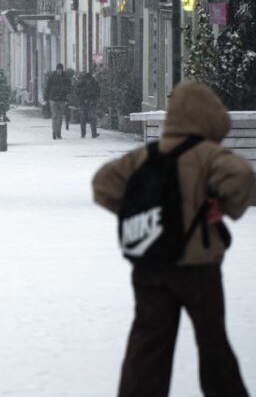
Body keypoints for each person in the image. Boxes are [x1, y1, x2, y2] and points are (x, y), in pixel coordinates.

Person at [93, 82, 255, 396]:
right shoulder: (208, 155)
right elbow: (242, 177)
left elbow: (103, 184)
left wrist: (136, 211)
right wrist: (223, 206)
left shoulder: (145, 156)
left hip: (150, 265)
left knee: (148, 345)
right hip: (198, 267)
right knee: (213, 344)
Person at [44, 63, 71, 140]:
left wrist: (67, 98)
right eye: (58, 69)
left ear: (62, 69)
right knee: (55, 116)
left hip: (61, 99)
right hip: (53, 99)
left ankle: (58, 133)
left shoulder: (65, 77)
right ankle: (54, 132)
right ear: (56, 69)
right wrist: (46, 98)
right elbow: (48, 87)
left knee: (59, 117)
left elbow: (69, 88)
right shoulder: (53, 76)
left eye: (61, 69)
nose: (60, 71)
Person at [76, 69, 101, 139]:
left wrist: (92, 100)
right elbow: (98, 92)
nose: (88, 81)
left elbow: (97, 92)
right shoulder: (92, 83)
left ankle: (88, 133)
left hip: (88, 102)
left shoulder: (91, 83)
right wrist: (91, 99)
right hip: (88, 102)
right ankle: (90, 133)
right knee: (89, 118)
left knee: (86, 118)